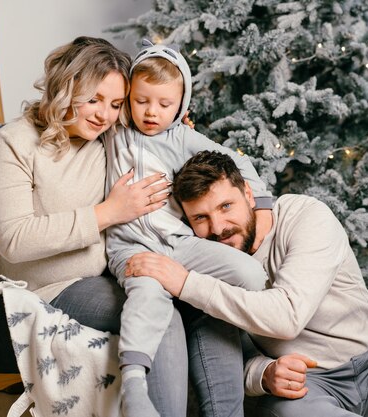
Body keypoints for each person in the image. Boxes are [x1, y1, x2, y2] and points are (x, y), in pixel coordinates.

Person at [125, 150, 368, 417]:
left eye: (225, 207)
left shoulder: (303, 215)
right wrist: (262, 375)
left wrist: (184, 282)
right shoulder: (205, 261)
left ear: (249, 196)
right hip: (309, 390)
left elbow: (287, 316)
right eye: (200, 218)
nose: (217, 227)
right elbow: (220, 354)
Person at [0, 36, 188, 417]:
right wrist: (107, 213)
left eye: (114, 104)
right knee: (161, 317)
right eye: (93, 99)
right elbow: (14, 240)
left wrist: (178, 126)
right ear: (66, 86)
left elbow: (155, 119)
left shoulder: (108, 136)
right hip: (50, 287)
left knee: (197, 302)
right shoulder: (12, 144)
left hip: (111, 270)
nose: (103, 115)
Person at [104, 39, 273, 417]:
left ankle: (249, 355)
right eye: (142, 100)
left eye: (165, 105)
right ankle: (134, 383)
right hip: (131, 248)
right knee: (147, 293)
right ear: (129, 97)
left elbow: (238, 166)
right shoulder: (115, 132)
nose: (151, 112)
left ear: (181, 106)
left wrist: (262, 206)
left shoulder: (184, 138)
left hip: (179, 243)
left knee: (248, 271)